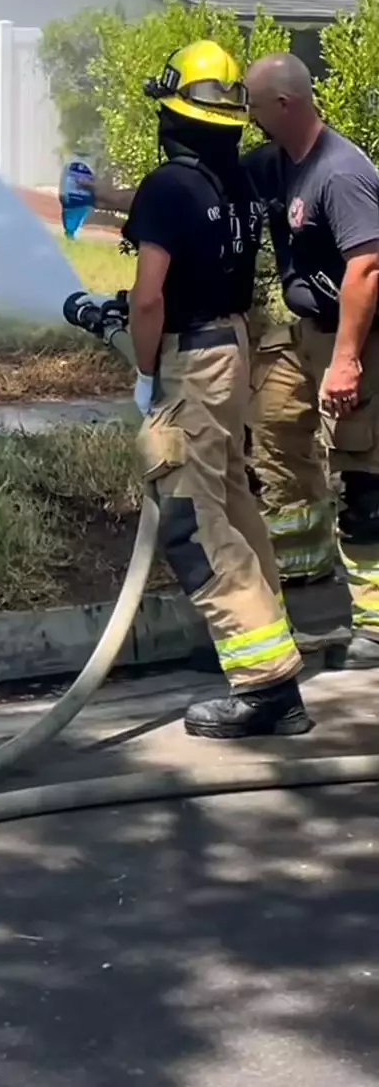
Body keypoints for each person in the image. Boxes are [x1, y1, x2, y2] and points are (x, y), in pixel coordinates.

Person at [122, 40, 308, 738]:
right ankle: (268, 636)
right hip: (233, 346)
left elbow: (148, 301)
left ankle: (266, 686)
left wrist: (146, 375)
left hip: (191, 360)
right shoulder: (233, 179)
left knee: (190, 522)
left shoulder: (168, 185)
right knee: (229, 497)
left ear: (171, 109)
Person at [245, 52, 379, 669]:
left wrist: (347, 360)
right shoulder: (275, 165)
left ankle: (375, 627)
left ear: (282, 105)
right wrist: (106, 194)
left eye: (251, 101)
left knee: (362, 475)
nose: (245, 113)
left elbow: (368, 268)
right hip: (302, 334)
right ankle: (311, 592)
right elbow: (203, 193)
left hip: (356, 338)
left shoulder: (340, 171)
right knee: (273, 433)